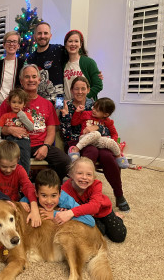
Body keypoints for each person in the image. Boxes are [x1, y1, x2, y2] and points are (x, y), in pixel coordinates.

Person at [59, 76, 130, 211]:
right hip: (77, 142)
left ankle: (119, 195)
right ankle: (81, 194)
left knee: (108, 156)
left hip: (99, 140)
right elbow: (66, 133)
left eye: (83, 88)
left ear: (88, 90)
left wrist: (96, 128)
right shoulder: (65, 105)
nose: (79, 92)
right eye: (76, 89)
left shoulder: (95, 105)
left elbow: (108, 125)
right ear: (72, 90)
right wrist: (66, 117)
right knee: (92, 151)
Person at [0, 64, 71, 181]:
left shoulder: (47, 104)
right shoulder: (10, 101)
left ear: (39, 80)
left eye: (33, 77)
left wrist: (46, 147)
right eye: (27, 77)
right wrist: (9, 129)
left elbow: (51, 131)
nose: (31, 80)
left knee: (65, 161)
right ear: (21, 81)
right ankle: (21, 190)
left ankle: (49, 186)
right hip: (18, 144)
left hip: (40, 145)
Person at [58, 157, 127, 243]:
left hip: (103, 211)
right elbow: (61, 201)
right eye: (79, 173)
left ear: (94, 177)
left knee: (119, 236)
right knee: (97, 234)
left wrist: (70, 212)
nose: (84, 177)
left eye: (89, 174)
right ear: (71, 174)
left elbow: (94, 207)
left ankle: (117, 217)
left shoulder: (96, 184)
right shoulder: (65, 188)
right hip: (87, 215)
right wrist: (64, 208)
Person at [0, 141, 41, 227]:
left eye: (12, 166)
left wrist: (34, 209)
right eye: (4, 166)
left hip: (13, 204)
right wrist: (17, 204)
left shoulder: (19, 170)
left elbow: (28, 187)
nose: (8, 170)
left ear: (18, 159)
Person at [20, 169, 95, 227]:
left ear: (59, 193)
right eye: (44, 195)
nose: (49, 201)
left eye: (53, 195)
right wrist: (21, 203)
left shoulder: (65, 199)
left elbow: (90, 221)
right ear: (36, 193)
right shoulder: (30, 197)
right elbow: (21, 203)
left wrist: (56, 214)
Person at [69, 97, 129, 168]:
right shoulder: (86, 114)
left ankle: (119, 156)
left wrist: (114, 141)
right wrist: (77, 112)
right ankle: (75, 149)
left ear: (105, 114)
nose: (93, 110)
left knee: (110, 142)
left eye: (97, 110)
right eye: (94, 107)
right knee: (96, 133)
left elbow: (114, 134)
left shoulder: (107, 121)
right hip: (84, 138)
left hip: (98, 142)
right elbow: (74, 123)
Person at [0, 88, 34, 173]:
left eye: (20, 103)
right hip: (9, 140)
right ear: (9, 103)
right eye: (14, 102)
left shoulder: (26, 115)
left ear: (24, 104)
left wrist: (22, 116)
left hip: (24, 140)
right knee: (11, 159)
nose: (16, 105)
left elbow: (31, 127)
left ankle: (24, 176)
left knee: (24, 159)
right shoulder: (5, 116)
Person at [26, 22, 67, 103]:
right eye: (39, 33)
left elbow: (76, 59)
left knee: (58, 115)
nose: (42, 36)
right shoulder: (31, 59)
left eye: (45, 33)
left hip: (59, 100)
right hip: (39, 102)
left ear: (50, 36)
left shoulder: (59, 50)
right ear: (34, 37)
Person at [63, 29, 102, 101]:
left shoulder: (89, 62)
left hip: (86, 107)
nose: (73, 44)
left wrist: (82, 99)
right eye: (70, 41)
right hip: (69, 107)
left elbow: (98, 85)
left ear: (80, 44)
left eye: (76, 41)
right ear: (65, 45)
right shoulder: (62, 64)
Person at [0, 31, 25, 106]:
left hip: (16, 106)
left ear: (18, 45)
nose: (11, 44)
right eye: (8, 41)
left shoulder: (23, 64)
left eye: (14, 42)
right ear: (4, 45)